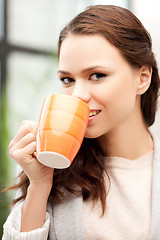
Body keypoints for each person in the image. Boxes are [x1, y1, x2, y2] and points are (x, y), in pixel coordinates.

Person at [2, 4, 160, 240]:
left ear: (142, 78)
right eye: (67, 79)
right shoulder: (46, 168)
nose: (78, 95)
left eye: (97, 75)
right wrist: (39, 185)